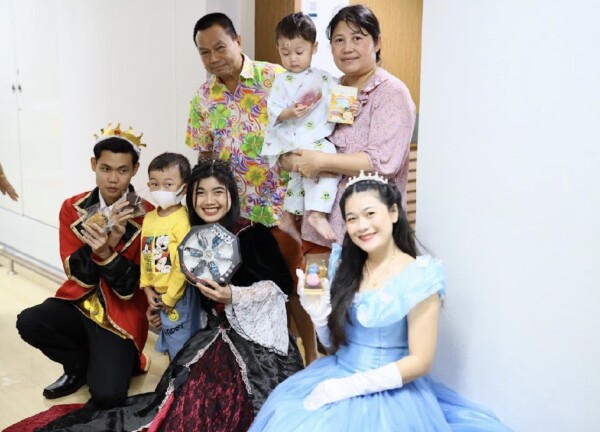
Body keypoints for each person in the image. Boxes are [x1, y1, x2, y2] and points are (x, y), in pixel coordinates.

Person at [28, 159, 304, 432]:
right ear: (190, 196)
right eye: (201, 193)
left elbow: (279, 288)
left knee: (223, 404)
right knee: (185, 395)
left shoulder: (252, 233)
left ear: (230, 195)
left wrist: (232, 295)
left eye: (218, 192)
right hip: (214, 334)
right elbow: (173, 279)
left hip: (258, 344)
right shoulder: (192, 233)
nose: (209, 201)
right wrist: (160, 306)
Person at [250, 172, 512, 431]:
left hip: (391, 393)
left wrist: (348, 387)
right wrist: (319, 316)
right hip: (336, 373)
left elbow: (421, 361)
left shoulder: (420, 275)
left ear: (394, 213)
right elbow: (335, 348)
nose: (362, 226)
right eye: (352, 218)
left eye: (370, 214)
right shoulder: (345, 267)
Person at [185, 12, 318, 364]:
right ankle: (278, 359)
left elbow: (309, 131)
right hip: (236, 218)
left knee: (294, 285)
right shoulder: (202, 98)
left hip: (281, 208)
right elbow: (205, 156)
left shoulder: (276, 78)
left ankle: (312, 354)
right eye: (204, 53)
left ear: (238, 41)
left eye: (220, 48)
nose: (213, 58)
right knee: (258, 291)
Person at [15, 123, 153, 408]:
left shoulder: (147, 215)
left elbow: (130, 288)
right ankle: (78, 366)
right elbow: (77, 274)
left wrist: (107, 250)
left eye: (123, 170)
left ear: (135, 170)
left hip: (122, 312)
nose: (113, 179)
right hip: (79, 301)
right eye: (105, 169)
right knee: (29, 321)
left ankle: (119, 360)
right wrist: (104, 246)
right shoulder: (73, 207)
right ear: (93, 165)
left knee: (107, 396)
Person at [280, 5, 417, 256]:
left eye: (357, 38)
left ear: (377, 42)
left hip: (369, 232)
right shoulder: (329, 87)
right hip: (319, 228)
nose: (347, 48)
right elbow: (299, 135)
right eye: (339, 40)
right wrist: (290, 159)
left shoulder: (391, 93)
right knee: (317, 283)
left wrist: (320, 161)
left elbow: (382, 162)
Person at [261, 12, 340, 243]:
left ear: (314, 48)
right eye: (285, 53)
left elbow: (339, 95)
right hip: (293, 137)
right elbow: (273, 110)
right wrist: (289, 112)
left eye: (299, 52)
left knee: (298, 179)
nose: (292, 59)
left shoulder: (323, 77)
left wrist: (348, 104)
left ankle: (288, 216)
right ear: (278, 49)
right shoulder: (281, 80)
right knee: (328, 158)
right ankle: (317, 213)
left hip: (310, 136)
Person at [141, 152, 201, 359]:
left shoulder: (182, 221)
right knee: (169, 338)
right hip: (158, 293)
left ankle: (181, 378)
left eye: (168, 185)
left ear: (183, 188)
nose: (160, 190)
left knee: (181, 344)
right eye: (154, 184)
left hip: (178, 295)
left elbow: (183, 264)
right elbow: (146, 254)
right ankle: (174, 376)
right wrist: (147, 288)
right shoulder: (149, 218)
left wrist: (170, 296)